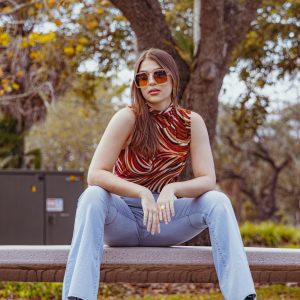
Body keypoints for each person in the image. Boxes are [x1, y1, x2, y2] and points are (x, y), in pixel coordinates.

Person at [62, 48, 257, 300]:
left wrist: (172, 189)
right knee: (92, 195)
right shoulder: (127, 117)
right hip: (124, 220)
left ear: (173, 78)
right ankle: (78, 297)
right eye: (143, 78)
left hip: (166, 221)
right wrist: (141, 192)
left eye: (159, 75)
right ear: (138, 85)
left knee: (217, 200)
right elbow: (95, 173)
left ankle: (242, 297)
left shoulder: (191, 122)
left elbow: (208, 179)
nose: (151, 82)